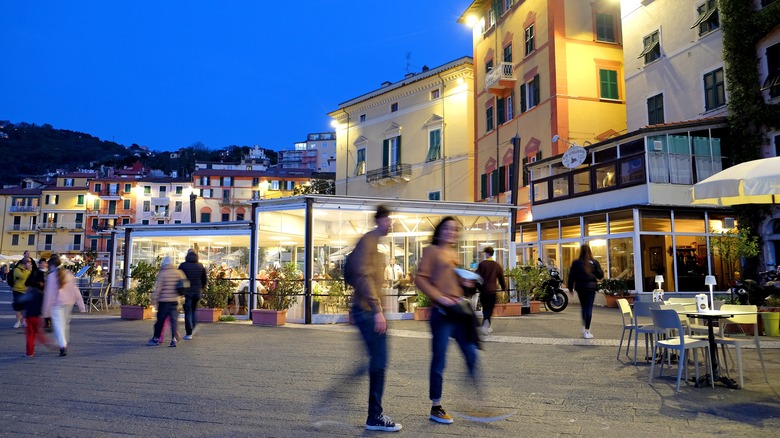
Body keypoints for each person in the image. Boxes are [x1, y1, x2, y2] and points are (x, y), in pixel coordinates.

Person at [415, 216, 480, 425]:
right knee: (439, 359)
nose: (451, 232)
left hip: (458, 313)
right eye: (447, 228)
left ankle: (470, 397)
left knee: (471, 353)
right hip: (442, 315)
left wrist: (464, 284)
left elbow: (452, 282)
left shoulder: (453, 253)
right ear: (440, 231)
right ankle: (436, 406)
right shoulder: (431, 251)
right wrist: (440, 297)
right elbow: (420, 278)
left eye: (454, 229)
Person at [348, 205, 401, 432]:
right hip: (369, 311)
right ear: (380, 220)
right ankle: (375, 416)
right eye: (389, 220)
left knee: (377, 361)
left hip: (366, 310)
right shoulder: (369, 241)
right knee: (379, 362)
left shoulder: (372, 243)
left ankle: (374, 412)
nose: (391, 224)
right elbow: (361, 274)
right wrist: (377, 309)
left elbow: (353, 272)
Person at [42, 254, 86, 357]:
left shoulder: (51, 277)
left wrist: (45, 312)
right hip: (69, 303)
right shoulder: (68, 274)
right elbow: (75, 290)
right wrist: (81, 305)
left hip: (57, 304)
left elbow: (49, 295)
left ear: (51, 265)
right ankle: (62, 341)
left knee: (59, 326)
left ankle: (63, 345)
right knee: (65, 324)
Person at [567, 244, 604, 339]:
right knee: (589, 308)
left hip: (580, 287)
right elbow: (600, 275)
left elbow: (571, 276)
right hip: (591, 288)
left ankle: (584, 327)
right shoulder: (594, 262)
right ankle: (587, 331)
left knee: (583, 307)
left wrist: (570, 288)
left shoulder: (576, 263)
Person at [148, 256, 185, 347]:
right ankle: (174, 339)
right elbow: (183, 284)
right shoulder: (178, 272)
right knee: (173, 320)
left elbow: (158, 288)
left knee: (160, 320)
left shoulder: (163, 273)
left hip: (163, 301)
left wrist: (154, 299)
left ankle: (156, 338)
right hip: (174, 300)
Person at [475, 246, 506, 336]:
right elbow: (501, 278)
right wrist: (504, 288)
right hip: (492, 290)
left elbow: (477, 277)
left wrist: (478, 288)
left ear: (487, 254)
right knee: (490, 308)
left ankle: (486, 323)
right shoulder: (497, 266)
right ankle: (486, 324)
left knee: (485, 308)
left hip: (484, 291)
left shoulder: (482, 264)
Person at [23, 258, 51, 357]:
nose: (44, 265)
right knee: (33, 330)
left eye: (45, 263)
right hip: (37, 296)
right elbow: (27, 283)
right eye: (42, 263)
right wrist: (39, 284)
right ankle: (45, 342)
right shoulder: (35, 272)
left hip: (43, 296)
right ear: (39, 264)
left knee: (33, 331)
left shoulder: (49, 273)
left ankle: (32, 349)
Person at [179, 249, 207, 340]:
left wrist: (180, 291)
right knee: (194, 309)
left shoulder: (183, 266)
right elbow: (204, 279)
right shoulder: (200, 266)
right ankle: (194, 325)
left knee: (188, 312)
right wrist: (201, 288)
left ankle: (189, 333)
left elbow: (178, 278)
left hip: (187, 291)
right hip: (197, 291)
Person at [12, 258, 33, 329]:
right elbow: (23, 276)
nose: (30, 264)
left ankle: (24, 321)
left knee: (25, 308)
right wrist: (29, 271)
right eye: (28, 263)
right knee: (18, 308)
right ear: (24, 263)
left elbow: (31, 278)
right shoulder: (17, 269)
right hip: (17, 290)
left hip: (26, 291)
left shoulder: (28, 270)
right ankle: (18, 322)